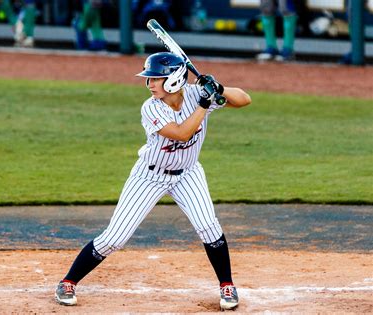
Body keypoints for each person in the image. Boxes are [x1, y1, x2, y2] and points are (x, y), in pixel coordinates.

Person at [54, 52, 251, 310]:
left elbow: (244, 100)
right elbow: (181, 134)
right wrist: (205, 103)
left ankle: (227, 286)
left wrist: (218, 88)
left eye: (156, 79)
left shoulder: (195, 94)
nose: (150, 85)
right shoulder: (151, 107)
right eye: (149, 79)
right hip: (150, 176)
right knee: (115, 237)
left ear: (173, 80)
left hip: (188, 173)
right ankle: (68, 281)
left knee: (209, 227)